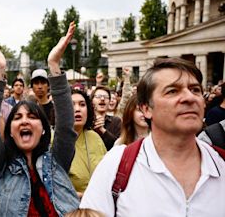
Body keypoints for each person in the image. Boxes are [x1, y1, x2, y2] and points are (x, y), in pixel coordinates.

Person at [80, 58, 225, 216]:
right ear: (146, 109)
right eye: (172, 91)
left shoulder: (221, 163)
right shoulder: (116, 165)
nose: (189, 97)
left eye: (195, 89)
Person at [0, 23, 80, 216]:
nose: (24, 121)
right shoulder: (2, 165)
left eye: (32, 117)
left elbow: (66, 127)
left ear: (43, 128)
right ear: (10, 130)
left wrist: (54, 64)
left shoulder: (57, 160)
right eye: (17, 118)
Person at [69, 89, 107, 198]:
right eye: (72, 105)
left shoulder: (94, 137)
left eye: (82, 105)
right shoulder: (55, 140)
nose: (77, 109)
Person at [91, 86, 121, 151]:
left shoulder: (116, 121)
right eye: (98, 96)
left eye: (106, 97)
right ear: (92, 100)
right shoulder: (86, 122)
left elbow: (118, 146)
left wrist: (103, 130)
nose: (102, 99)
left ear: (109, 102)